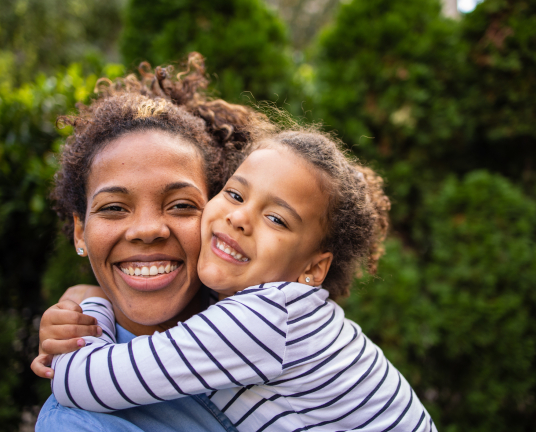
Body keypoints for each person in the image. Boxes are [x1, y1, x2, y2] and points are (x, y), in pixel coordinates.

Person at [44, 129, 437, 431]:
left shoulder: (263, 320)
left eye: (277, 219)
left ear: (314, 270)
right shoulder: (275, 313)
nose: (239, 218)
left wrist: (91, 305)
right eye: (234, 194)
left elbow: (78, 382)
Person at [32, 52, 271, 432]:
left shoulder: (269, 324)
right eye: (113, 208)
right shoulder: (78, 421)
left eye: (180, 205)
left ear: (217, 217)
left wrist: (89, 296)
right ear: (81, 232)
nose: (147, 229)